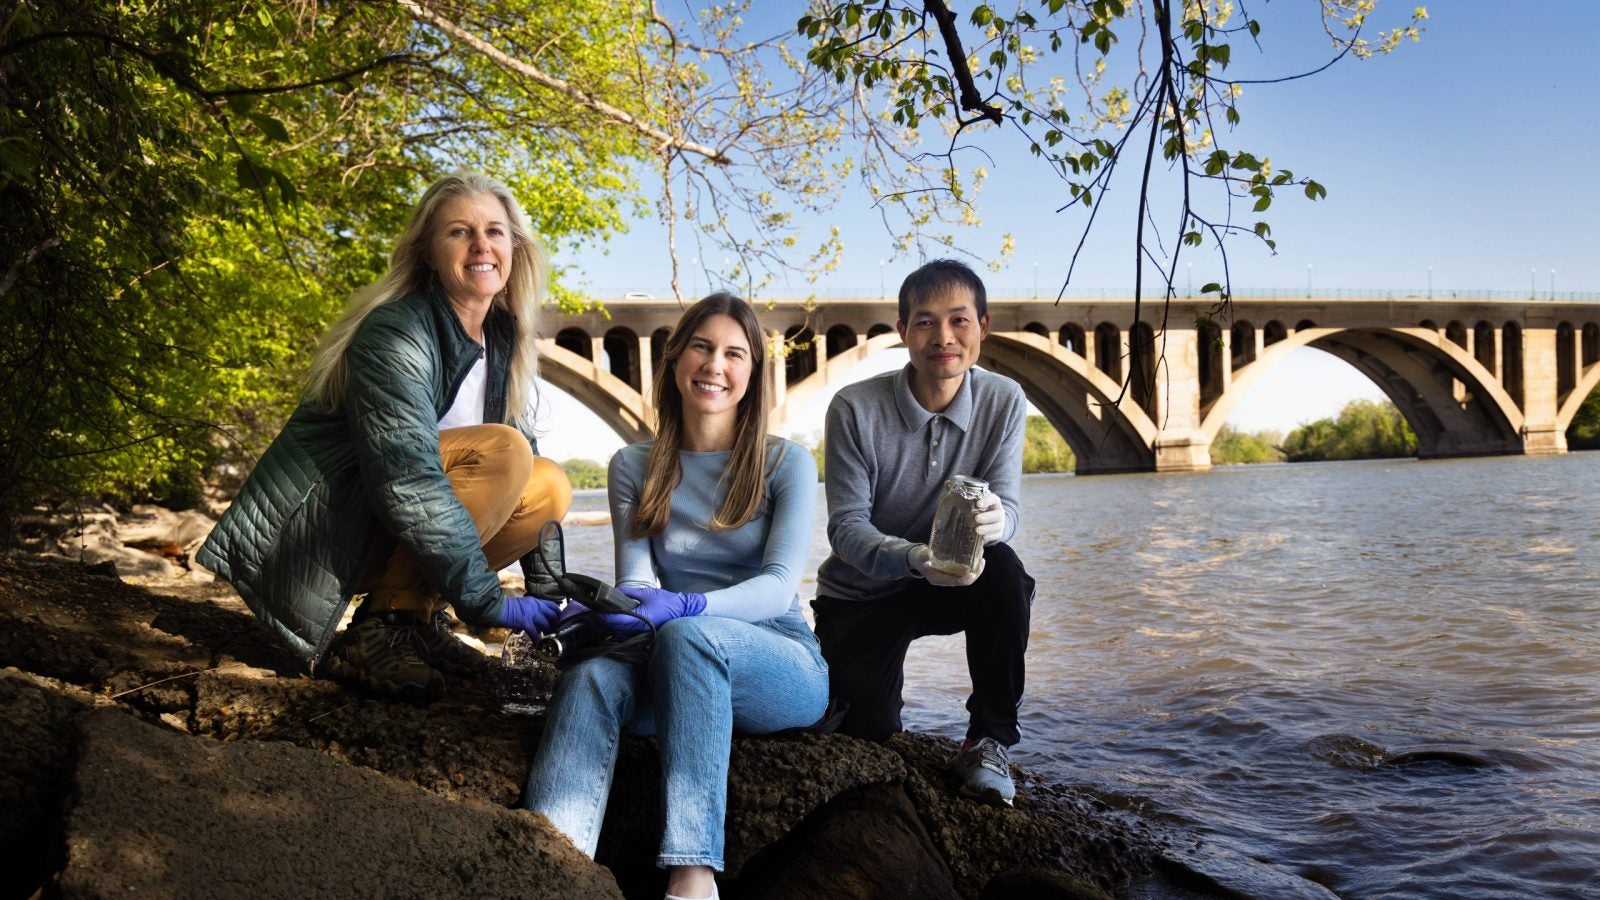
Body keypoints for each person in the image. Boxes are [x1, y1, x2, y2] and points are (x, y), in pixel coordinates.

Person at [198, 171, 571, 702]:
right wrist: (488, 603)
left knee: (548, 481)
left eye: (495, 231)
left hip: (390, 530)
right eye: (459, 232)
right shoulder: (399, 330)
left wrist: (553, 599)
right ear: (427, 253)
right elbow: (408, 477)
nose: (481, 245)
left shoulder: (502, 341)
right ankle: (378, 629)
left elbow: (527, 476)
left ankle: (415, 621)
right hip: (324, 533)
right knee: (504, 453)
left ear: (515, 248)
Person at [524, 292, 827, 900]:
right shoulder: (632, 467)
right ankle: (551, 868)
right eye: (702, 346)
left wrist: (688, 608)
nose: (716, 365)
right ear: (674, 359)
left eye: (734, 354)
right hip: (677, 658)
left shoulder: (785, 463)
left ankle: (692, 877)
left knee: (689, 637)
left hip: (780, 661)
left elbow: (775, 589)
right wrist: (591, 612)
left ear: (752, 374)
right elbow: (637, 586)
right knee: (590, 678)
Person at [812, 258, 1035, 806]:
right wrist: (914, 558)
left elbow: (1009, 508)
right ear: (902, 333)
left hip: (953, 583)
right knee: (866, 729)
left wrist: (995, 523)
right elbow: (845, 529)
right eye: (925, 322)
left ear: (983, 327)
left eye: (959, 321)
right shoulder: (854, 409)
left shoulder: (1004, 399)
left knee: (1006, 575)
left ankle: (989, 740)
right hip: (863, 591)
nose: (944, 337)